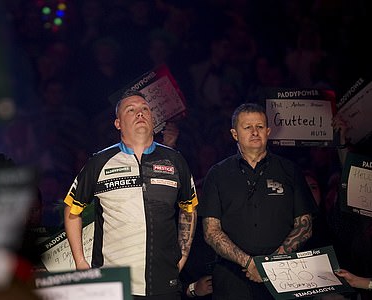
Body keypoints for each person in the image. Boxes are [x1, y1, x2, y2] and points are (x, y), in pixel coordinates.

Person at [63, 90, 198, 299]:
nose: (140, 114)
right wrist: (80, 262)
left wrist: (183, 256)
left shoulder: (175, 160)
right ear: (118, 123)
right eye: (131, 110)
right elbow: (72, 209)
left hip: (164, 284)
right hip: (114, 285)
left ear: (153, 119)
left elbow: (188, 208)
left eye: (145, 109)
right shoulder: (99, 162)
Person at [199, 103, 317, 299]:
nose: (255, 132)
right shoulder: (218, 174)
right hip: (232, 276)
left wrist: (272, 262)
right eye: (247, 127)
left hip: (284, 272)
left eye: (260, 127)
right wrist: (249, 263)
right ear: (234, 134)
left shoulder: (290, 170)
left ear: (268, 131)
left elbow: (305, 225)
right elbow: (211, 231)